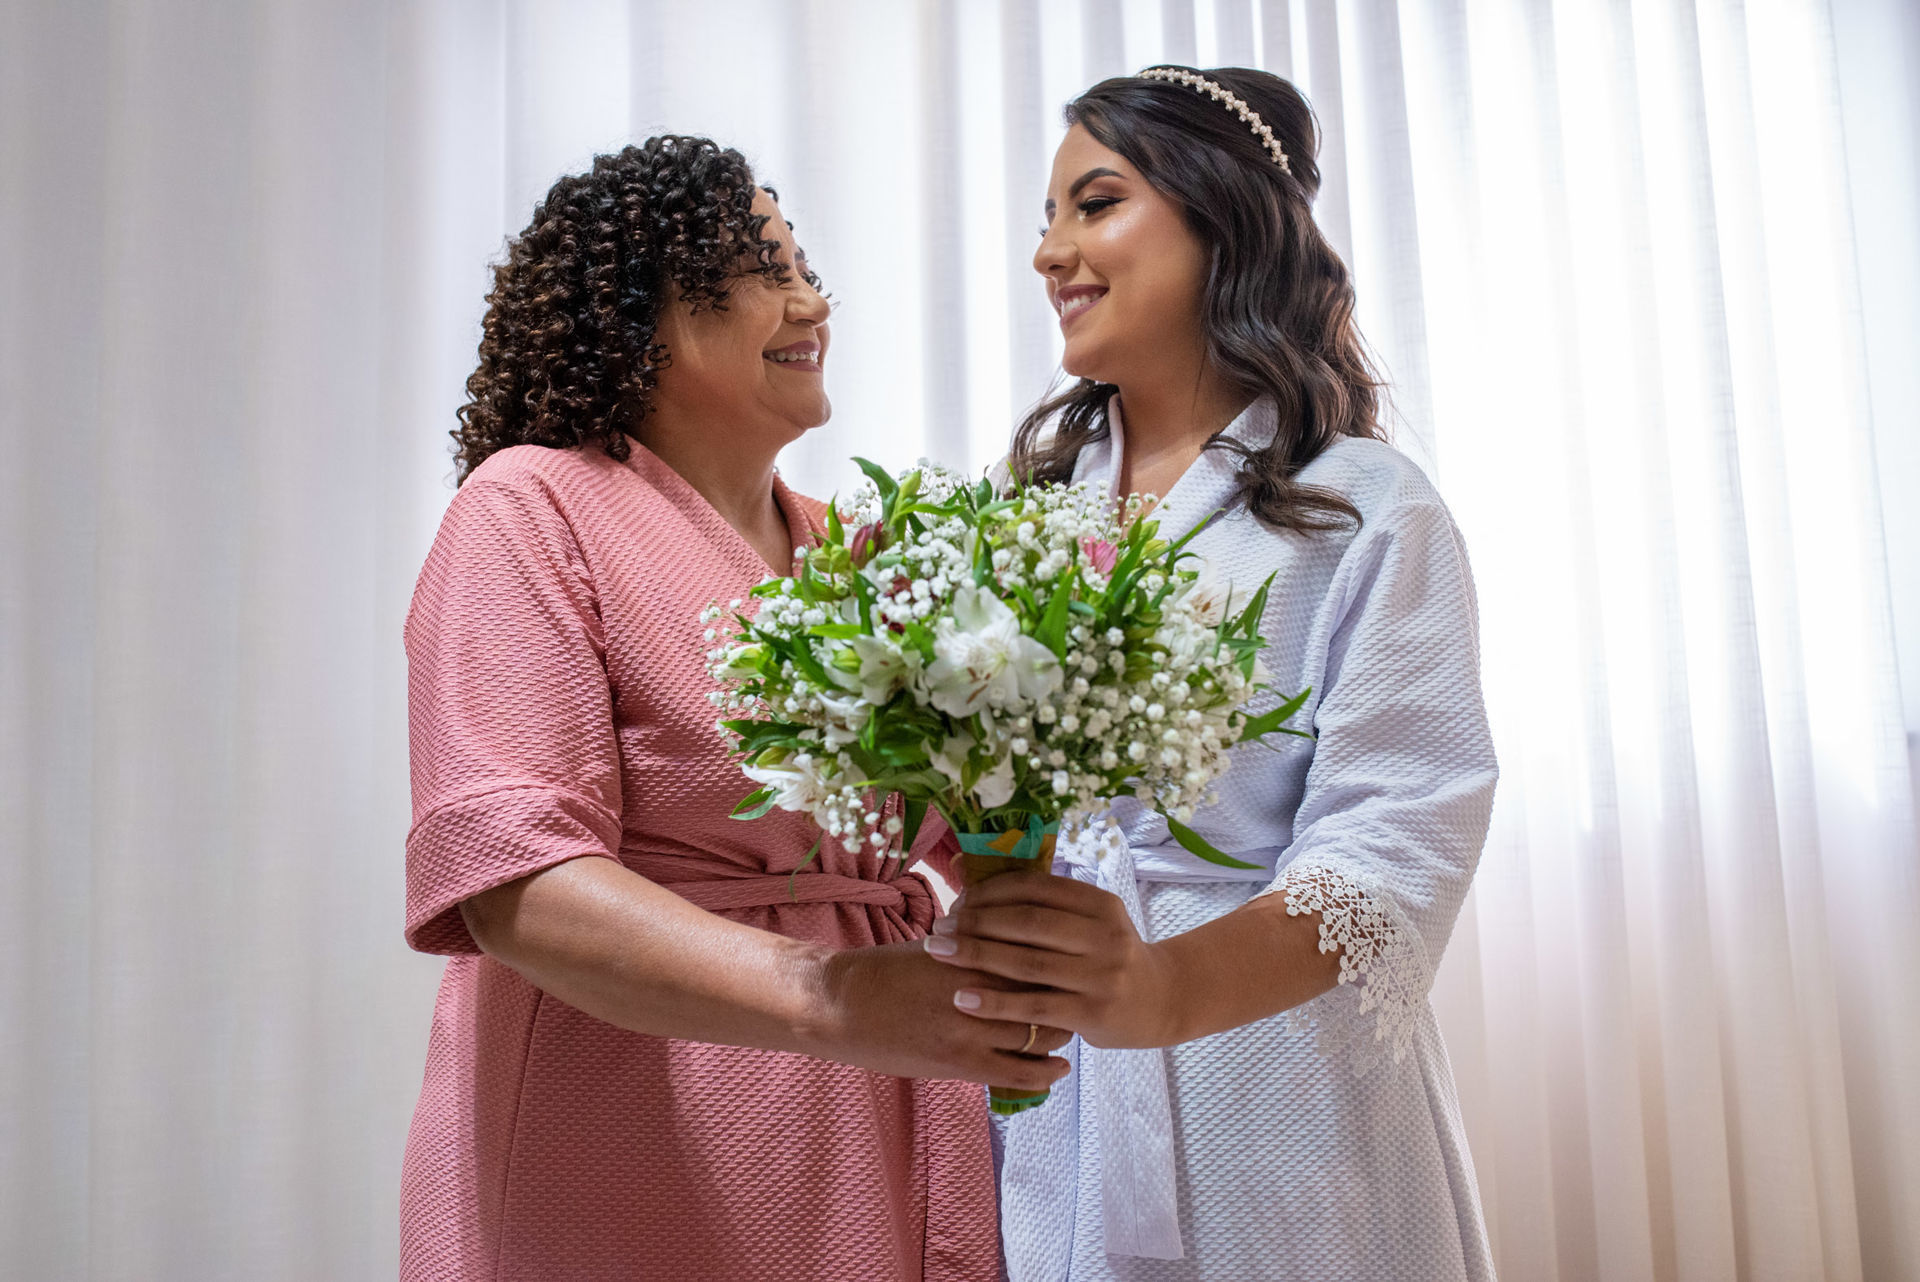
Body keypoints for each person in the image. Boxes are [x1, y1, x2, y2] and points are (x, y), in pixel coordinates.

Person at [398, 136, 1066, 1281]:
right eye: (759, 264)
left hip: (880, 1115)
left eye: (804, 264)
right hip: (627, 1126)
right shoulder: (529, 511)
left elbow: (985, 829)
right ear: (634, 311)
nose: (809, 298)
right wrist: (839, 998)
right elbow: (519, 890)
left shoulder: (868, 560)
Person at [923, 68, 1501, 1281]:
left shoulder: (1367, 512)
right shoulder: (1016, 517)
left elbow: (1394, 841)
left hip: (1279, 1082)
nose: (1051, 253)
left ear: (1218, 215)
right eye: (1046, 217)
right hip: (1057, 1079)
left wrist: (1169, 989)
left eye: (1095, 203)